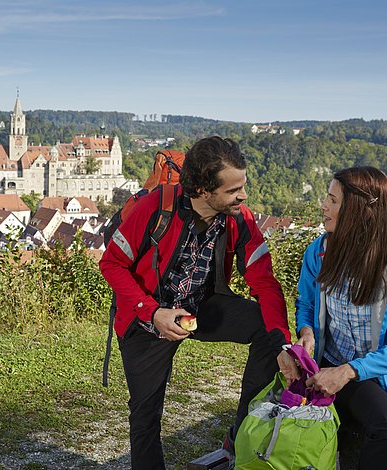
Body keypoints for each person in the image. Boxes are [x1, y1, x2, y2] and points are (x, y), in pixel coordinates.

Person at [99, 136, 298, 470]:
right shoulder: (155, 208)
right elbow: (112, 264)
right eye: (234, 190)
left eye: (243, 186)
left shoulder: (240, 218)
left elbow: (264, 282)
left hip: (203, 306)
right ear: (204, 190)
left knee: (268, 329)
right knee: (145, 415)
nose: (243, 196)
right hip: (150, 315)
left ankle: (241, 435)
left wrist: (282, 343)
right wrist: (151, 312)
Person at [295, 166, 387, 469]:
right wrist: (306, 332)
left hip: (372, 375)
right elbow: (306, 304)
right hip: (327, 367)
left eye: (333, 200)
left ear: (361, 211)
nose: (324, 206)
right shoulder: (319, 251)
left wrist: (350, 371)